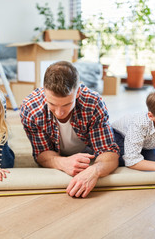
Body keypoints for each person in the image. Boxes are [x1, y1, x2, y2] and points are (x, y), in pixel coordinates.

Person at [20, 61, 120, 198]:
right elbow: (41, 153)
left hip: (89, 150)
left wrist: (94, 171)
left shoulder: (93, 102)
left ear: (78, 92)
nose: (60, 113)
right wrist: (62, 162)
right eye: (52, 104)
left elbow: (109, 152)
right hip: (55, 151)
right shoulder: (30, 107)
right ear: (44, 91)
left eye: (67, 104)